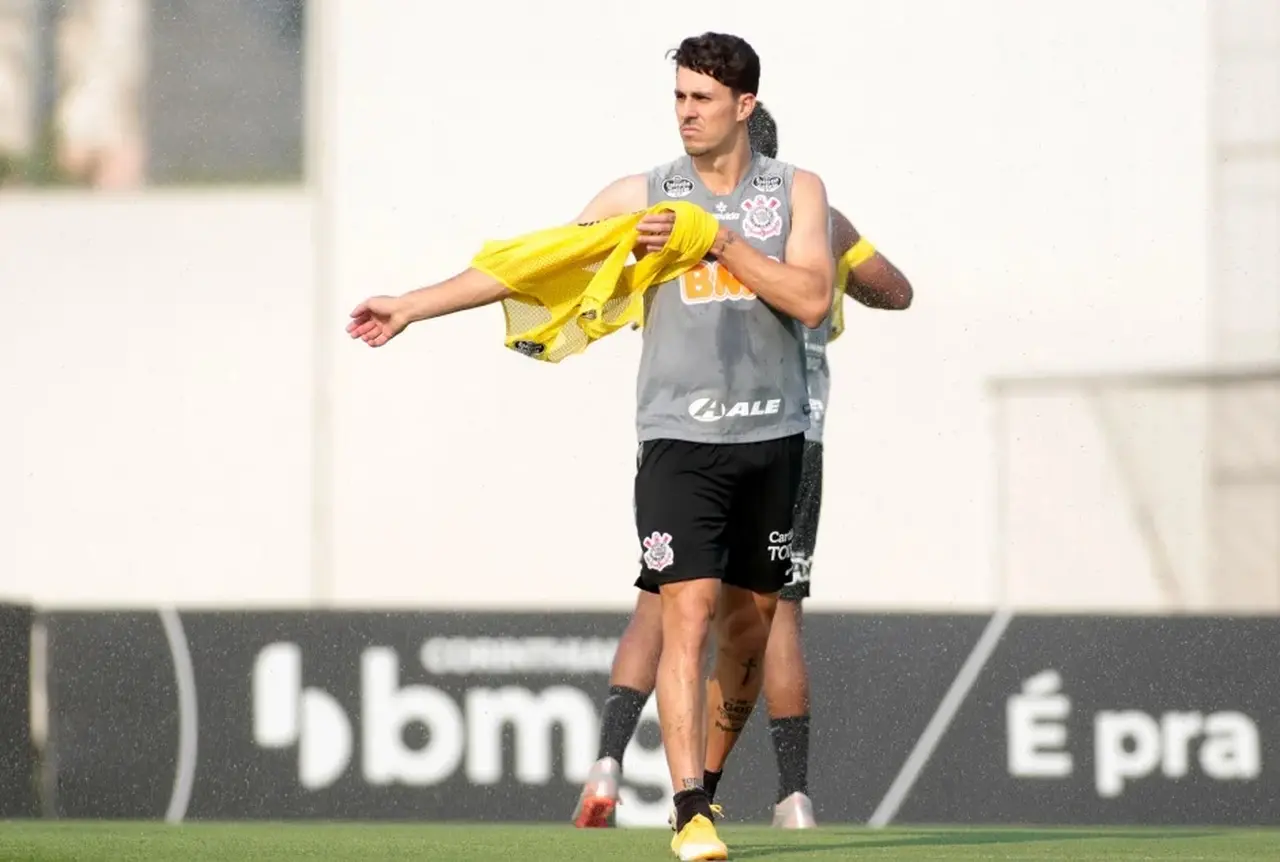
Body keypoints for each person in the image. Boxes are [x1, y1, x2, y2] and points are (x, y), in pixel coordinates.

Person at [348, 32, 833, 862]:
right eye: (678, 97)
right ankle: (689, 810)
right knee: (685, 612)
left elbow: (813, 298)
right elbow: (538, 264)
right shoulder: (639, 196)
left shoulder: (797, 192)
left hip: (772, 437)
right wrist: (413, 305)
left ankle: (707, 786)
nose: (685, 113)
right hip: (677, 439)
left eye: (702, 99)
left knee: (749, 630)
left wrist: (715, 242)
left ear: (744, 106)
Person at [572, 103, 913, 831]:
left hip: (688, 432)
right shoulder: (815, 218)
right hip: (790, 437)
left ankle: (608, 760)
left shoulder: (676, 218)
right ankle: (790, 796)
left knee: (663, 603)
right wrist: (841, 255)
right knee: (775, 616)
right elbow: (896, 291)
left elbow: (584, 262)